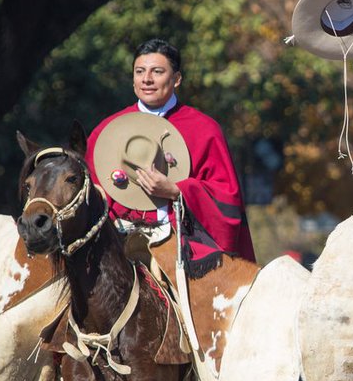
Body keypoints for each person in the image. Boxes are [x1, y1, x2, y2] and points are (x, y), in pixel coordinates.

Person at [86, 38, 255, 275]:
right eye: (139, 72)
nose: (147, 79)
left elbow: (227, 200)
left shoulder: (204, 130)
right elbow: (90, 197)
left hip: (184, 246)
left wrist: (177, 191)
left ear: (176, 79)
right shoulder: (105, 131)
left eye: (157, 71)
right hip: (118, 247)